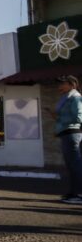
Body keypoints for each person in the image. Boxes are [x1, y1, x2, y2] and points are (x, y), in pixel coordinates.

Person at [51, 75, 82, 204]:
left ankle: (79, 194)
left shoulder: (75, 98)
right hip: (66, 133)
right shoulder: (67, 98)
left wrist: (60, 120)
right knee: (71, 166)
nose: (59, 87)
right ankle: (73, 193)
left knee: (75, 165)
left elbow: (79, 118)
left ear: (72, 84)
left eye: (62, 84)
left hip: (72, 134)